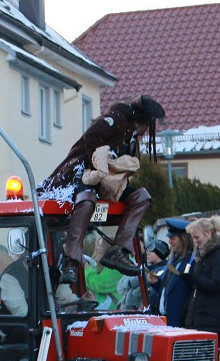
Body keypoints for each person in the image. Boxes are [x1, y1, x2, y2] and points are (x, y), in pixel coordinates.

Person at [37, 95, 163, 284]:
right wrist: (99, 165)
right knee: (86, 199)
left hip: (106, 183)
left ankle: (118, 251)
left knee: (141, 197)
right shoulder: (116, 120)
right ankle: (72, 261)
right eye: (149, 125)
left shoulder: (131, 136)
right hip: (82, 175)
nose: (147, 131)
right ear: (144, 120)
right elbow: (92, 137)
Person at [181, 217, 220, 341]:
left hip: (210, 318)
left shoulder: (219, 254)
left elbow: (219, 285)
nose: (195, 241)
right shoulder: (206, 254)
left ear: (208, 234)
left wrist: (193, 278)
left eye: (197, 237)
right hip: (200, 316)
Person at [160, 220, 194, 328]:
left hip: (179, 320)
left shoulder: (191, 261)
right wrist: (155, 283)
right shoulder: (174, 260)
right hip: (165, 318)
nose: (170, 241)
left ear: (183, 239)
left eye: (173, 238)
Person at [118, 239, 168, 311]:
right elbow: (120, 287)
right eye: (147, 250)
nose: (147, 253)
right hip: (134, 311)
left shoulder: (165, 270)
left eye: (151, 250)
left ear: (160, 251)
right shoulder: (145, 268)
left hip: (153, 312)